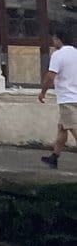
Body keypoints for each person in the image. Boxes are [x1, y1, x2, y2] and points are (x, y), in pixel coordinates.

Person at [39, 22, 77, 167]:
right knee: (62, 127)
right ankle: (54, 156)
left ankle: (54, 157)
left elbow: (50, 75)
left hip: (67, 98)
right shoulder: (75, 53)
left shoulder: (58, 55)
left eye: (53, 39)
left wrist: (43, 92)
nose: (52, 42)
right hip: (75, 95)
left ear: (57, 39)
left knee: (73, 127)